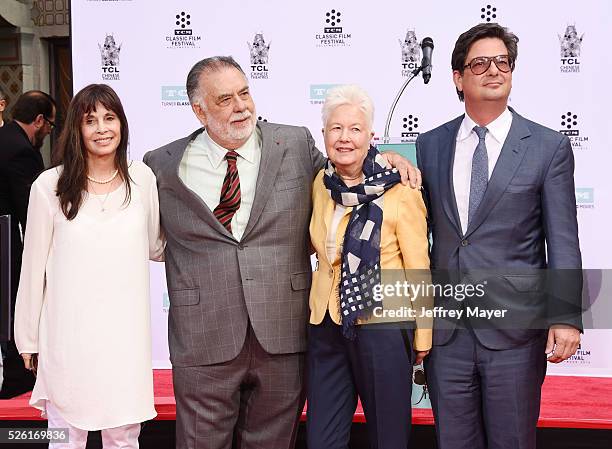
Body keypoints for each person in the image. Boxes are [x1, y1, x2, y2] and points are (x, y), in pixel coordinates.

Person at [143, 56, 418, 449]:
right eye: (225, 99)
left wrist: (386, 157)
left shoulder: (294, 143)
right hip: (203, 338)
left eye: (244, 93)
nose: (241, 107)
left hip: (283, 335)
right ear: (199, 109)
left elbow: (347, 177)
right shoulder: (161, 165)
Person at [416, 23, 582, 449]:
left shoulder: (547, 146)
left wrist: (565, 316)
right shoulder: (430, 144)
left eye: (502, 62)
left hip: (514, 333)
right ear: (458, 77)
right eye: (480, 63)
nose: (494, 70)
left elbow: (562, 237)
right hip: (446, 334)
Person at [15, 84, 164, 449]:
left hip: (124, 340)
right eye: (90, 120)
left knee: (124, 440)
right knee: (64, 439)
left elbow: (157, 246)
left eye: (109, 118)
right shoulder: (48, 187)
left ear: (122, 124)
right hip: (67, 338)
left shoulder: (142, 179)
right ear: (76, 130)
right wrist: (27, 338)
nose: (101, 129)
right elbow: (32, 268)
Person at [306, 85, 432, 449]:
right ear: (324, 134)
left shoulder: (401, 189)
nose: (345, 138)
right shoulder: (320, 183)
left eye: (355, 129)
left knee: (387, 437)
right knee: (321, 439)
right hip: (326, 326)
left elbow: (418, 268)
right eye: (336, 128)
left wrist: (423, 335)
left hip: (384, 328)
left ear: (370, 136)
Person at [0, 90, 55, 396]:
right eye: (50, 124)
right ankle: (16, 378)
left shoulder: (4, 137)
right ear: (38, 120)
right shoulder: (21, 150)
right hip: (5, 242)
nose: (48, 131)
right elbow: (31, 210)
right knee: (10, 305)